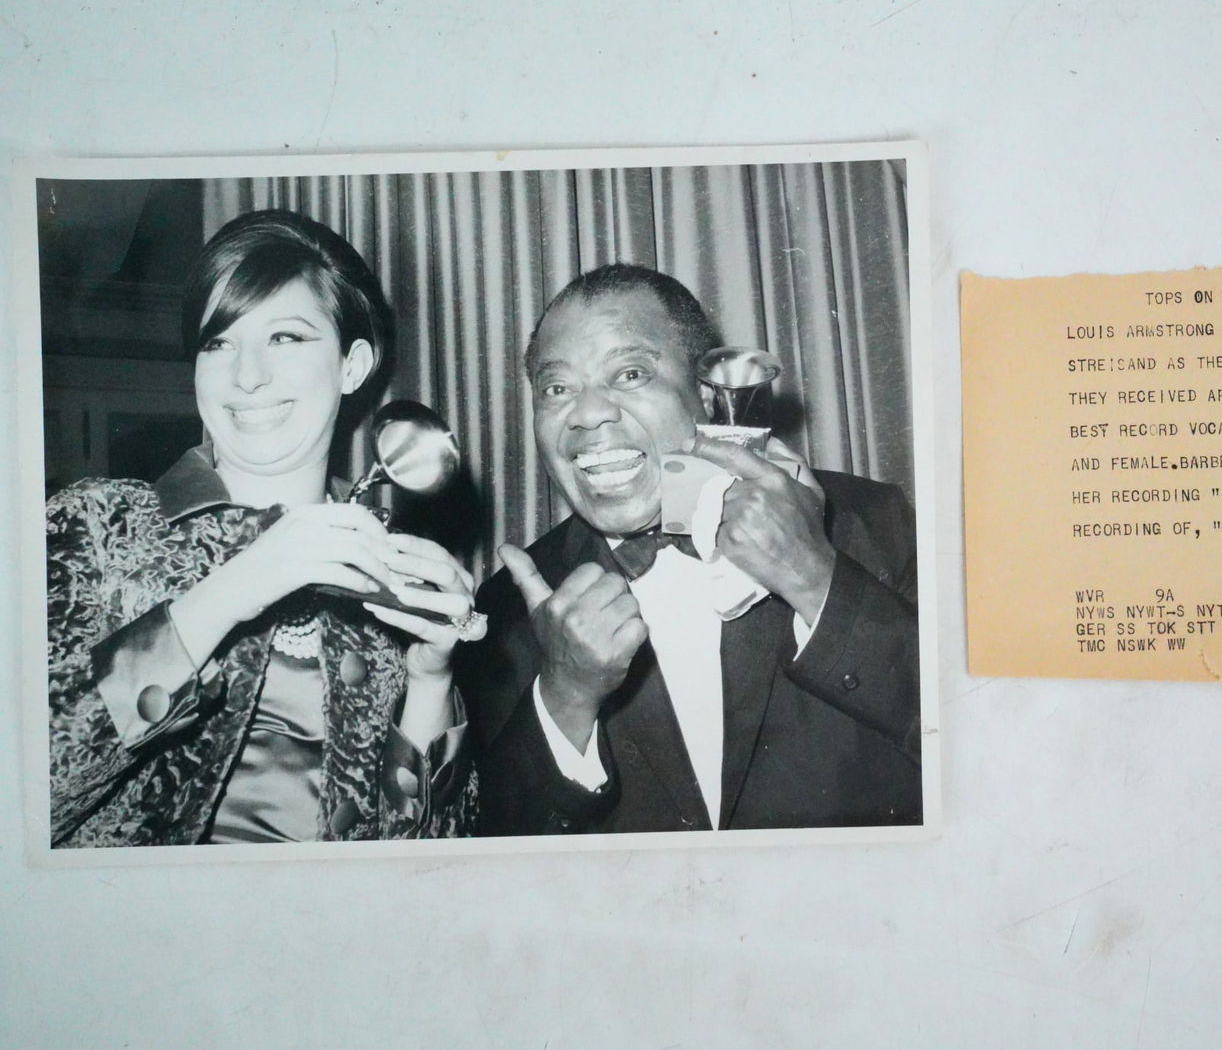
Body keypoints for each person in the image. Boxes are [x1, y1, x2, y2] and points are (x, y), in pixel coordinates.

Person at [48, 209, 477, 847]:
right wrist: (233, 588)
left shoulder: (387, 567)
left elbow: (436, 866)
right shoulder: (90, 526)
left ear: (353, 367)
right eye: (218, 342)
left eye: (285, 338)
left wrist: (431, 678)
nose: (246, 375)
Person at [458, 263, 921, 834]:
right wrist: (565, 699)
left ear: (706, 393)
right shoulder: (508, 605)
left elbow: (988, 743)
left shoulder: (872, 522)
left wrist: (815, 578)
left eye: (630, 374)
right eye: (557, 389)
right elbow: (486, 852)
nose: (586, 413)